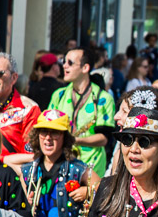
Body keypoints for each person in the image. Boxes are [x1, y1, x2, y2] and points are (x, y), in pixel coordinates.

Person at [48, 47, 116, 176]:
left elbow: (104, 138)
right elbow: (48, 127)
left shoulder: (103, 98)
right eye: (64, 61)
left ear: (85, 68)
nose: (64, 66)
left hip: (91, 167)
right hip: (61, 163)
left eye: (70, 63)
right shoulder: (59, 95)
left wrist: (74, 140)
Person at [0, 52, 42, 159]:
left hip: (9, 173)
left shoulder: (28, 109)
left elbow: (31, 156)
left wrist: (1, 160)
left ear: (14, 78)